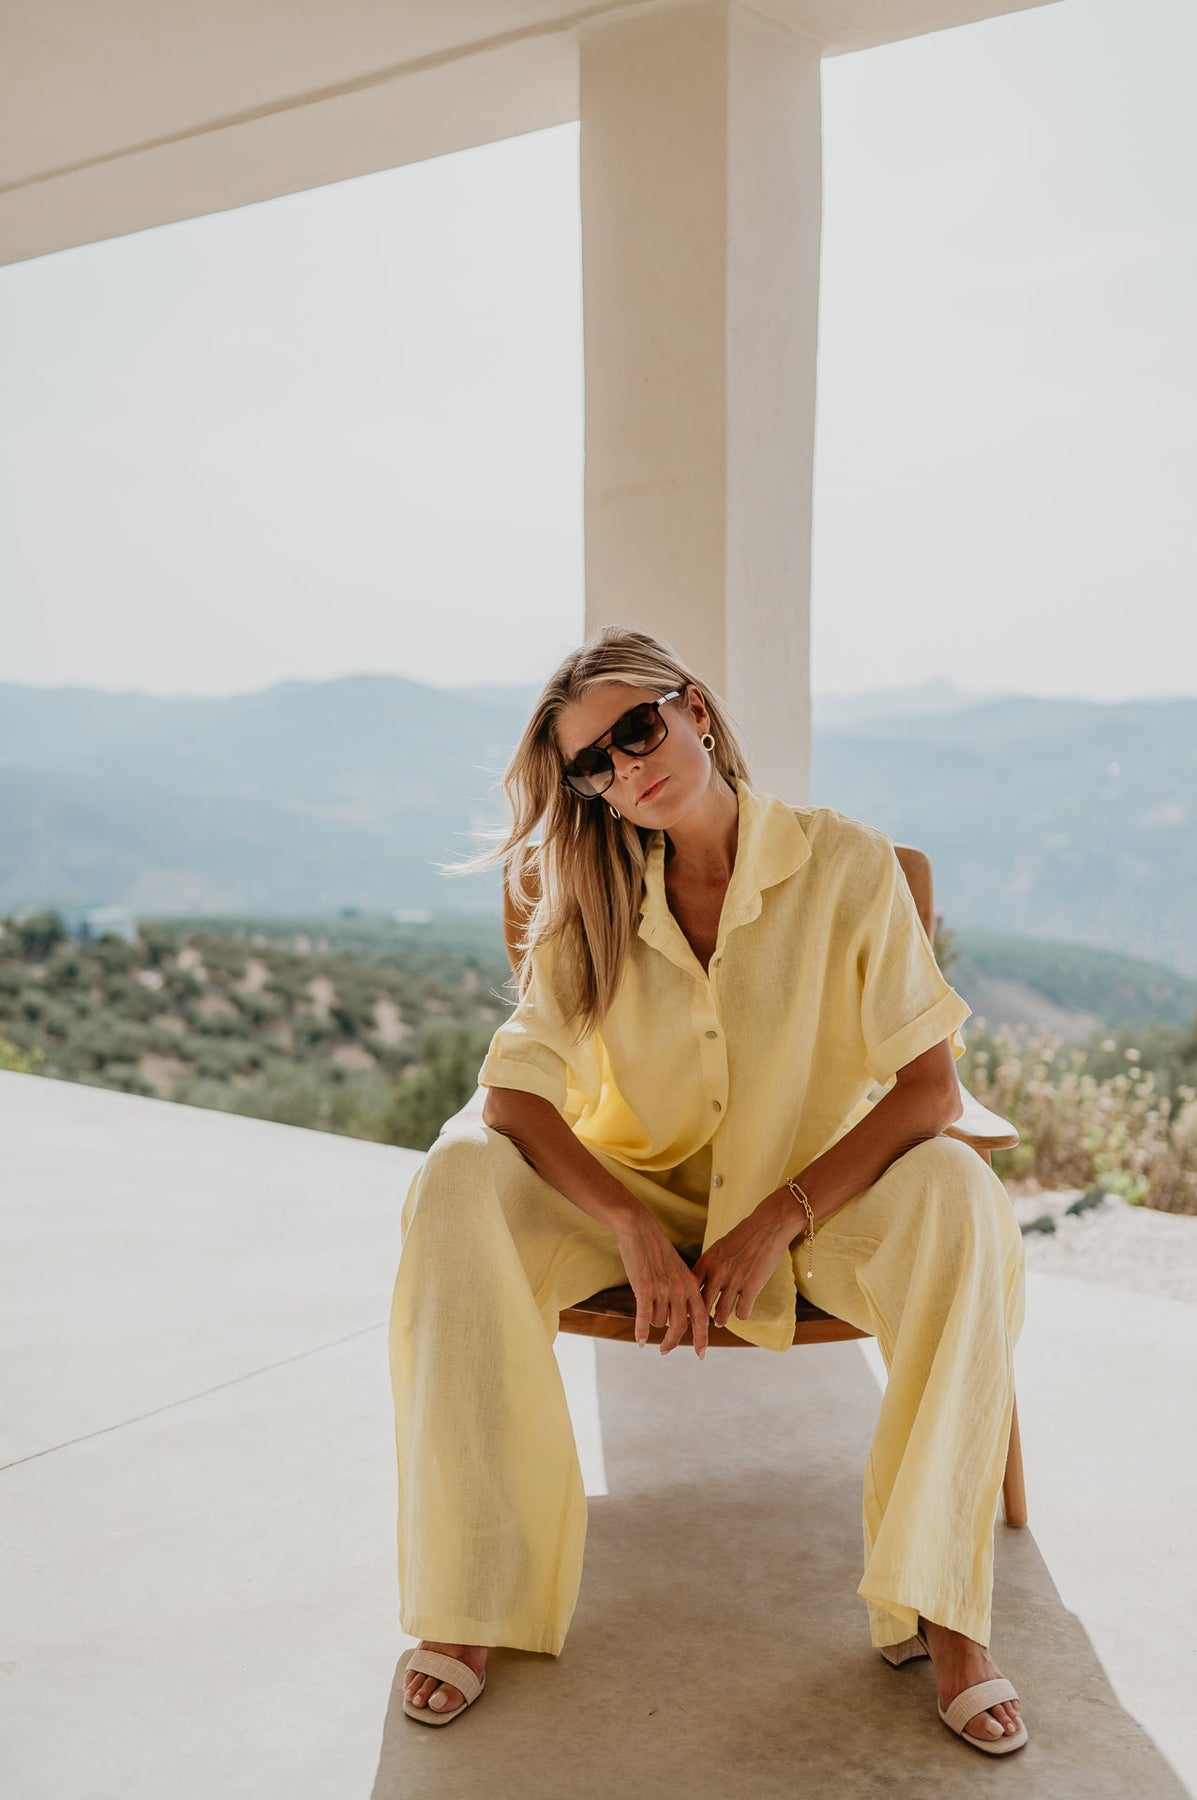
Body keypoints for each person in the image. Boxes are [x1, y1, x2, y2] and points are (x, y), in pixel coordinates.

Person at [390, 625, 1027, 1755]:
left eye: (636, 731)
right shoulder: (586, 891)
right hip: (626, 1197)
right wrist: (630, 1224)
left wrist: (782, 1214)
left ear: (693, 708)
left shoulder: (847, 864)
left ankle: (943, 1611)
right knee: (455, 1181)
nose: (625, 769)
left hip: (811, 1207)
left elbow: (930, 1089)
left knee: (960, 1198)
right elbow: (515, 1095)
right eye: (593, 765)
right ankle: (473, 1600)